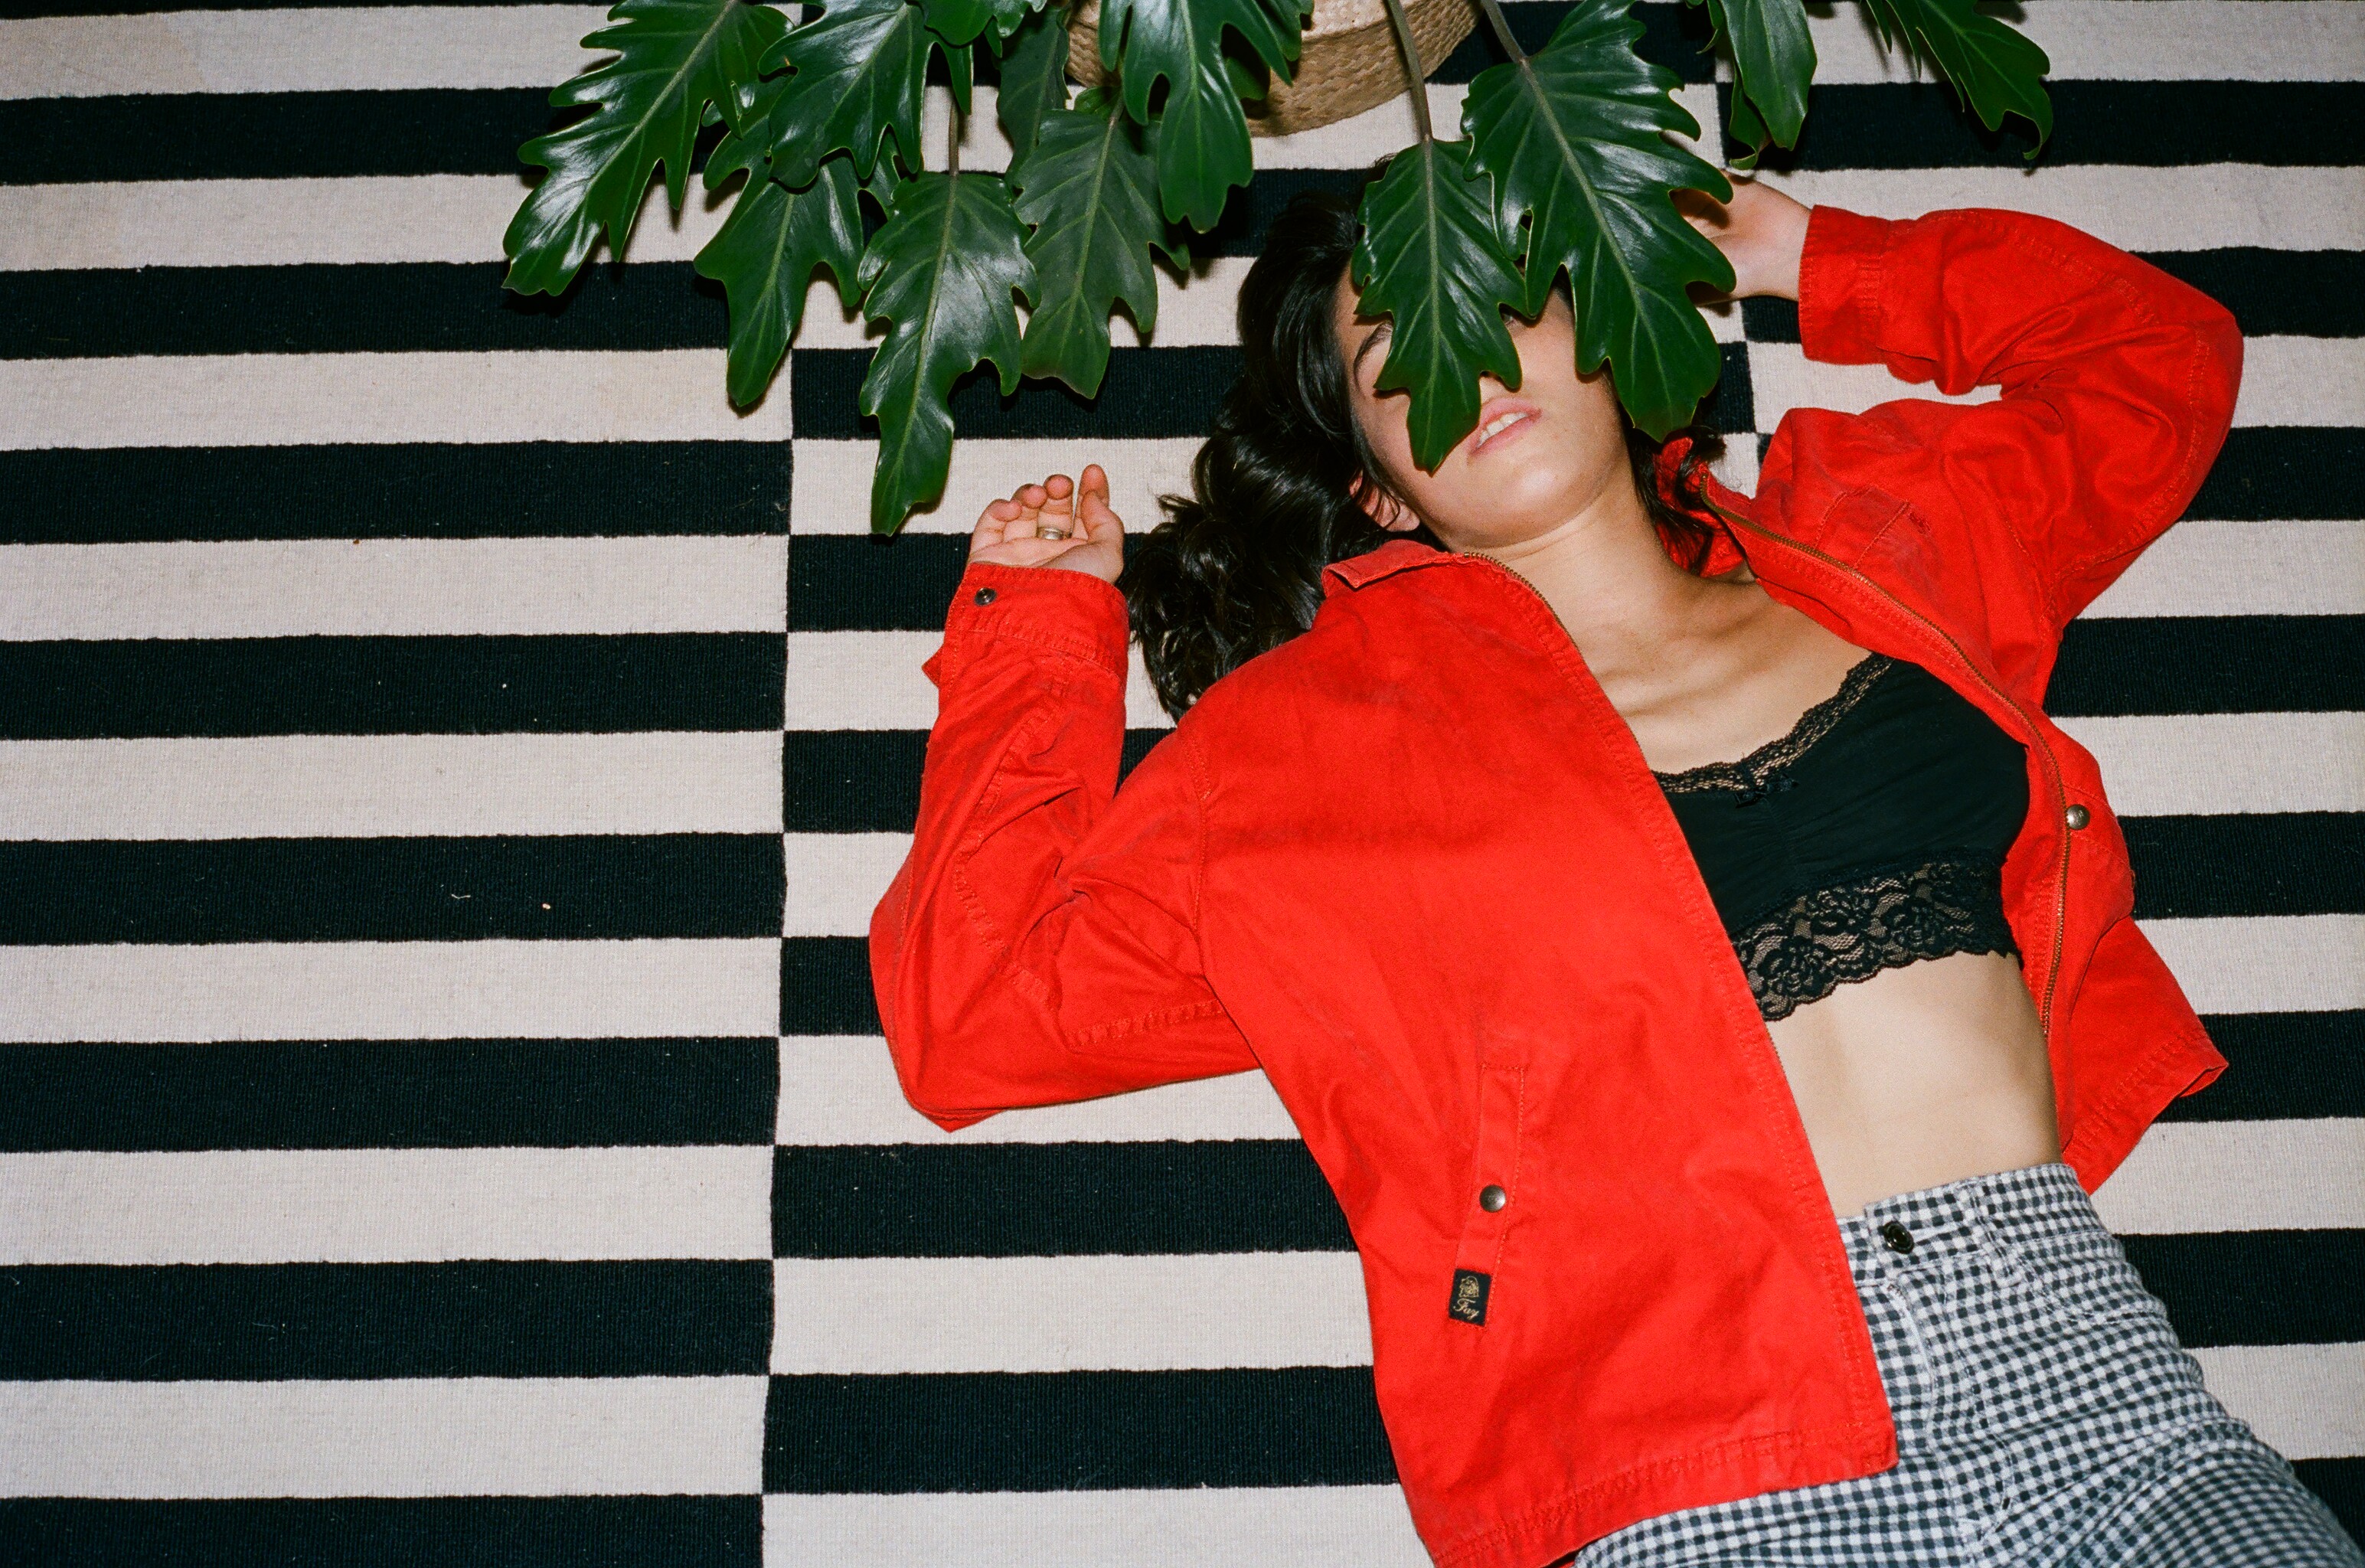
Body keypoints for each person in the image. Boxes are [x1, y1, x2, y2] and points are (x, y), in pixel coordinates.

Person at [867, 172, 2363, 1567]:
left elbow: (2156, 353)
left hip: (2102, 1394)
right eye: (1393, 353)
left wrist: (1807, 258)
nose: (1463, 355)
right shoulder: (1305, 747)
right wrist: (1040, 634)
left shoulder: (1878, 544)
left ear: (1613, 344)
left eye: (1502, 297)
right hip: (1697, 1469)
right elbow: (975, 1014)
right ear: (1380, 490)